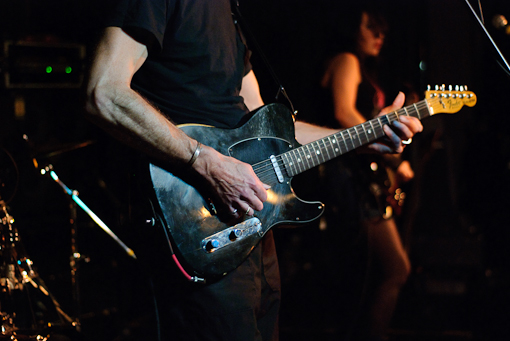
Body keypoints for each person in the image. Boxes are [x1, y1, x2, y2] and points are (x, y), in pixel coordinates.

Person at [83, 1, 422, 340]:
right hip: (196, 218)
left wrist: (366, 137)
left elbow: (272, 131)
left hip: (252, 223)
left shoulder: (230, 13)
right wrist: (204, 161)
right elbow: (104, 92)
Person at [318, 4, 415, 340]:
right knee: (392, 269)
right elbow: (344, 114)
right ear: (350, 28)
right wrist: (389, 156)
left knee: (372, 273)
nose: (380, 35)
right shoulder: (347, 60)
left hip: (357, 177)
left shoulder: (360, 65)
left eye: (383, 29)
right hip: (349, 180)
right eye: (372, 27)